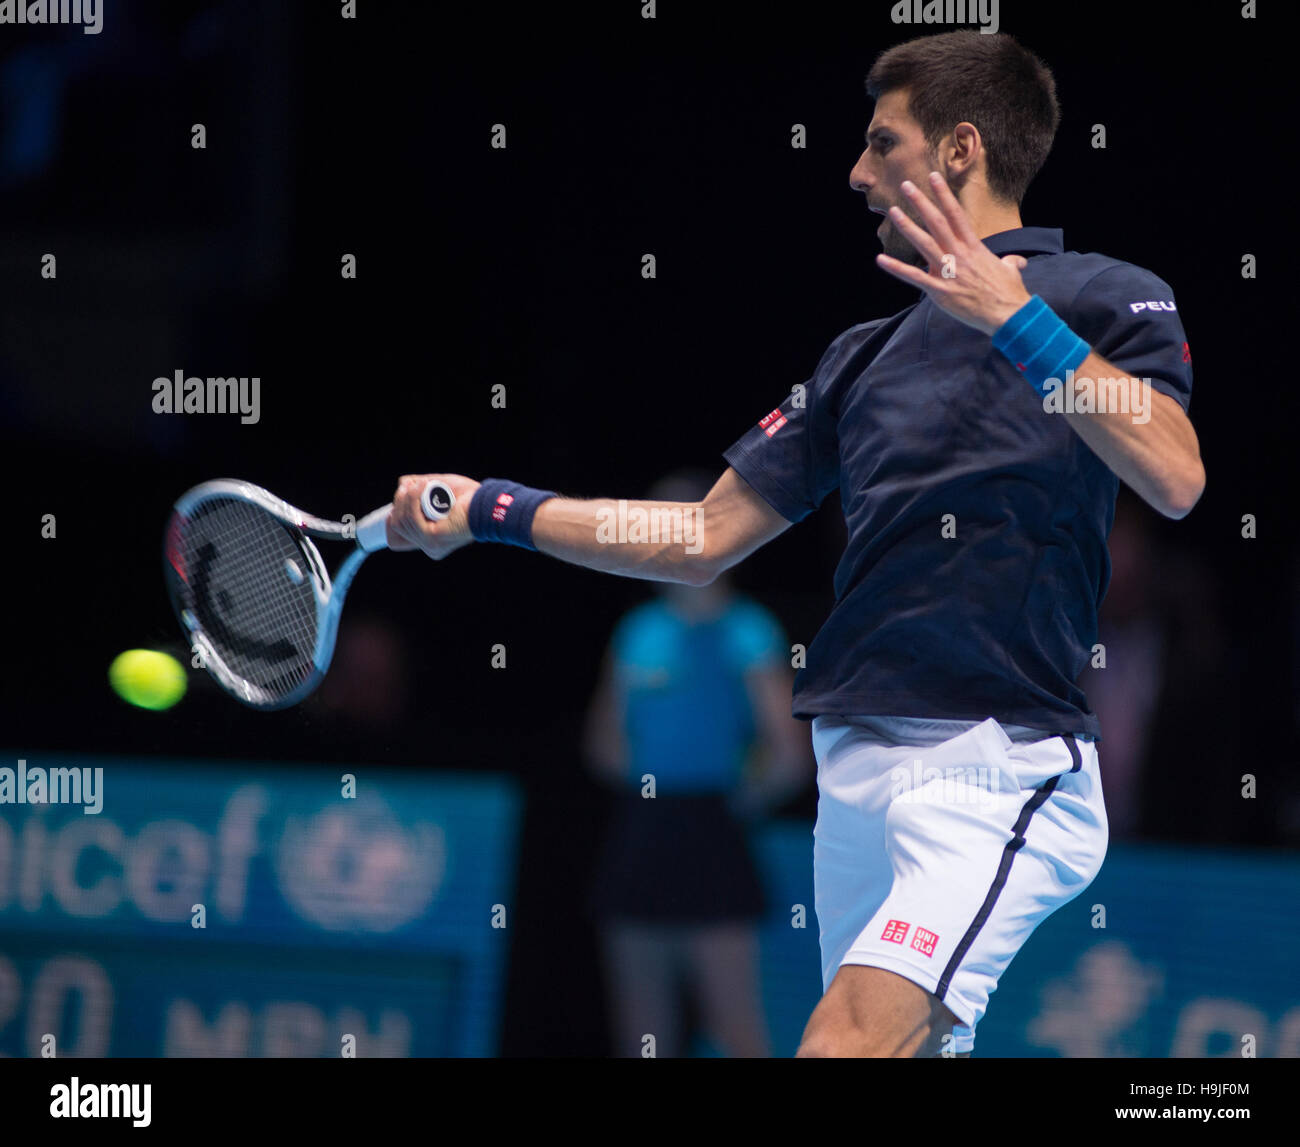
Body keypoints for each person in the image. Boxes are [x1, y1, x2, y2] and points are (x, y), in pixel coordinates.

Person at [380, 30, 1204, 1057]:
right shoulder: (860, 359)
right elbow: (698, 537)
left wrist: (1015, 317)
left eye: (879, 143)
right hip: (851, 769)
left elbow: (1173, 475)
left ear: (957, 151)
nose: (856, 173)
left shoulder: (1100, 295)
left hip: (995, 763)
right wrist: (491, 507)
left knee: (841, 1041)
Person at [582, 469, 808, 1058]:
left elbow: (787, 755)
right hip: (642, 831)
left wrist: (732, 801)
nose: (657, 534)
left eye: (673, 521)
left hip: (713, 834)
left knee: (734, 1025)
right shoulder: (637, 630)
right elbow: (604, 745)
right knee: (641, 1027)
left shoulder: (749, 630)